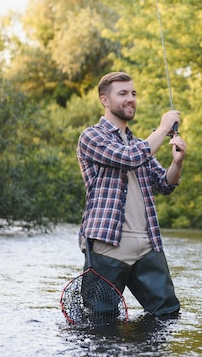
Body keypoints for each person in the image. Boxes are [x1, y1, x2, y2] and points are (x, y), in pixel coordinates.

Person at [77, 71, 185, 319]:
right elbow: (128, 159)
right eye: (123, 93)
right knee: (100, 322)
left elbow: (165, 184)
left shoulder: (139, 143)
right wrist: (162, 128)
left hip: (148, 244)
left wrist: (177, 163)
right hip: (108, 245)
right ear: (105, 100)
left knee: (168, 314)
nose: (131, 99)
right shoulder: (91, 136)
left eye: (133, 93)